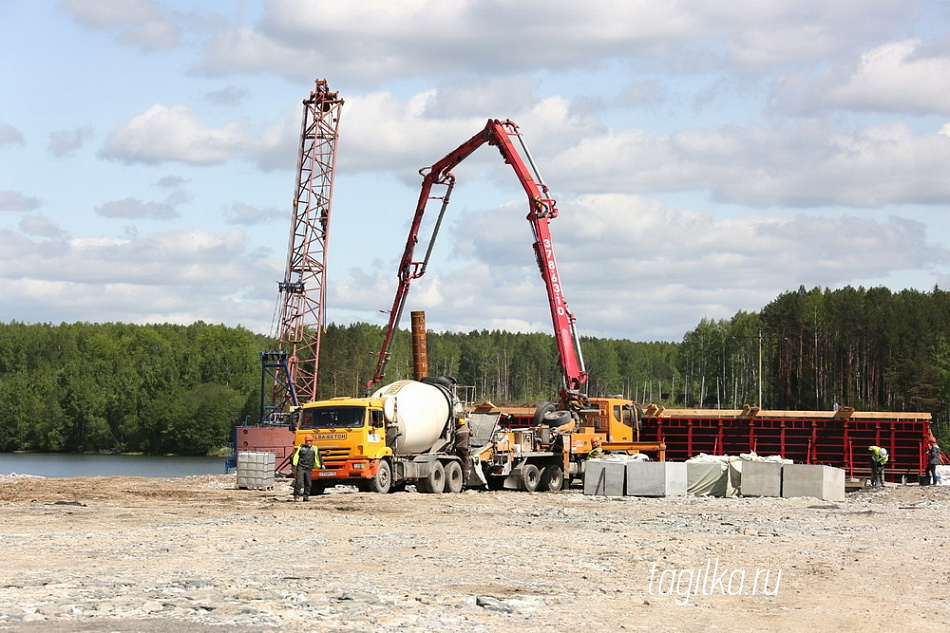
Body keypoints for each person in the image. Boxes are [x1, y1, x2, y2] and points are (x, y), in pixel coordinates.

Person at [292, 435, 321, 501]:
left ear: (312, 441)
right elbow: (296, 457)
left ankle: (306, 497)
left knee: (308, 483)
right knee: (299, 482)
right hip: (301, 467)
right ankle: (296, 496)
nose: (308, 442)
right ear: (305, 441)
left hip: (309, 468)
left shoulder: (314, 448)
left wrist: (322, 464)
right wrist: (294, 465)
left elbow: (319, 457)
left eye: (310, 441)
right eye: (307, 441)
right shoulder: (301, 448)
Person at [454, 417, 472, 482]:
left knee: (459, 462)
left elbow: (454, 440)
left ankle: (460, 476)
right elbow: (471, 434)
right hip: (465, 448)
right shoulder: (467, 430)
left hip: (458, 448)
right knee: (466, 462)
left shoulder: (457, 431)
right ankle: (466, 478)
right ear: (464, 424)